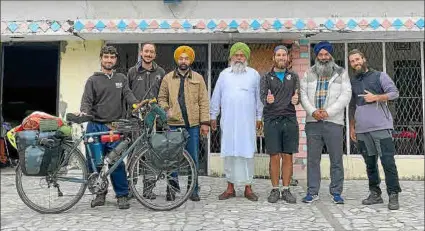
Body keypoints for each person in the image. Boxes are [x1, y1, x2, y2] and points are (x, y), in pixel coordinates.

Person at [79, 45, 140, 209]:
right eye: (106, 57)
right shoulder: (92, 80)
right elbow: (86, 101)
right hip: (95, 127)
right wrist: (84, 112)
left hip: (114, 127)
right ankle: (100, 194)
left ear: (116, 59)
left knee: (117, 162)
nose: (109, 60)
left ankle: (122, 195)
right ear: (101, 58)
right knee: (96, 163)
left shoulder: (121, 78)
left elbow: (128, 95)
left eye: (112, 57)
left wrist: (136, 104)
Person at [348, 49, 401, 210]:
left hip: (381, 127)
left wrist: (376, 97)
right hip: (362, 130)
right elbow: (352, 105)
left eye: (357, 59)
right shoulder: (353, 81)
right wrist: (352, 126)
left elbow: (394, 93)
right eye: (352, 61)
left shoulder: (380, 76)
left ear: (364, 59)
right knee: (370, 164)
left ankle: (393, 195)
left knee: (387, 162)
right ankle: (375, 194)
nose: (355, 63)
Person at [299, 41, 351, 204]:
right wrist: (313, 111)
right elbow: (303, 95)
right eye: (320, 55)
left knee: (336, 159)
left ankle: (336, 192)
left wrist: (328, 112)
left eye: (326, 54)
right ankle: (312, 191)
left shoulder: (341, 73)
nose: (323, 57)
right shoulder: (308, 73)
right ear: (316, 56)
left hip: (333, 122)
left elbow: (346, 95)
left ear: (330, 55)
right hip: (313, 122)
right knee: (313, 159)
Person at [210, 42, 263, 201]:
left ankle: (248, 188)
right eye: (236, 55)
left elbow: (259, 98)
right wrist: (213, 115)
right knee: (230, 154)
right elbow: (216, 96)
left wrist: (259, 117)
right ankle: (230, 187)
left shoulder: (254, 74)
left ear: (246, 57)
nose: (239, 58)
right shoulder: (224, 74)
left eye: (242, 55)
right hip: (229, 122)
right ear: (231, 57)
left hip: (247, 124)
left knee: (247, 154)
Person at [157, 45, 210, 202]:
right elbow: (161, 98)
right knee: (172, 157)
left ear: (190, 60)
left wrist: (204, 123)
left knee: (192, 158)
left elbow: (204, 101)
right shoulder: (168, 78)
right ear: (177, 60)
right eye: (181, 58)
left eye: (186, 58)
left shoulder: (198, 78)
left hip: (192, 125)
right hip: (174, 124)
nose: (184, 61)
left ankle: (193, 189)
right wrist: (166, 109)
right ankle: (172, 188)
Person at [260, 45, 300, 203]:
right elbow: (262, 96)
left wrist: (297, 99)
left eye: (284, 55)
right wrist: (267, 100)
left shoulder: (294, 76)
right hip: (272, 120)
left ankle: (286, 189)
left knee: (288, 156)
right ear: (274, 57)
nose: (282, 57)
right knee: (275, 156)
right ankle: (275, 189)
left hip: (289, 119)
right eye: (279, 55)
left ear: (288, 58)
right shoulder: (266, 77)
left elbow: (299, 95)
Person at [126, 42, 165, 200]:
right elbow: (126, 94)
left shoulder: (161, 72)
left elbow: (163, 96)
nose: (148, 54)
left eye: (151, 52)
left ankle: (148, 189)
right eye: (146, 51)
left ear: (155, 55)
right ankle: (130, 188)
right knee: (133, 154)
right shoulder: (132, 72)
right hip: (135, 120)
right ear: (141, 53)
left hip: (152, 119)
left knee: (151, 154)